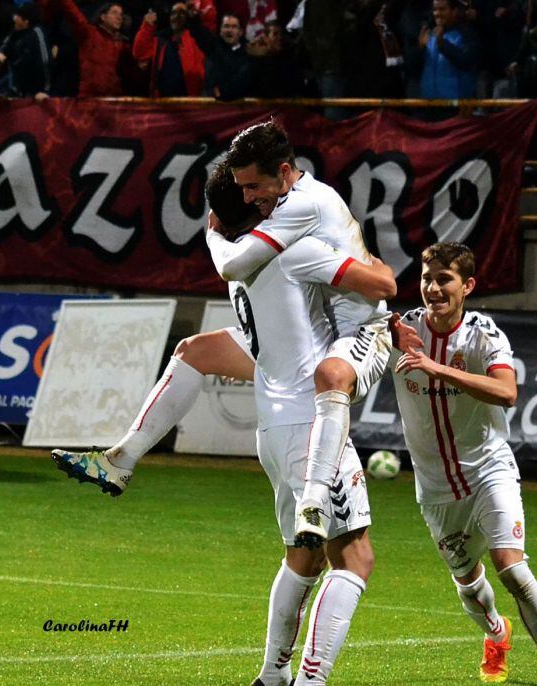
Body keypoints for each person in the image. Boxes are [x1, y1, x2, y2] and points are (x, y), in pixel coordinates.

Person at [53, 163, 394, 686]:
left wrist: (213, 234)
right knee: (354, 559)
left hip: (271, 431)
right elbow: (383, 282)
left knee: (302, 559)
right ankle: (310, 680)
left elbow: (232, 275)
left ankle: (270, 676)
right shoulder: (296, 250)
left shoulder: (234, 260)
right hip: (312, 425)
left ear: (216, 218)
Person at [389, 242, 537, 686]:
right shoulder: (400, 328)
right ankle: (496, 632)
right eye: (426, 279)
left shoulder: (483, 333)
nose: (433, 288)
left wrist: (437, 369)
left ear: (468, 285)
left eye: (444, 279)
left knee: (511, 566)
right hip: (436, 488)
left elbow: (507, 392)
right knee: (469, 584)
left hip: (488, 469)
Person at [205, 121, 394, 550]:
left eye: (254, 186)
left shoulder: (297, 208)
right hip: (333, 336)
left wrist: (213, 233)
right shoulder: (302, 198)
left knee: (329, 375)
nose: (249, 198)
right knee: (195, 351)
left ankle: (314, 496)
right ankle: (123, 457)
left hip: (364, 332)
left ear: (286, 172)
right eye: (242, 190)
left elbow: (232, 266)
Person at [42, 0, 137, 95]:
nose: (119, 17)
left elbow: (133, 76)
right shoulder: (89, 34)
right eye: (114, 13)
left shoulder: (123, 45)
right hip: (88, 102)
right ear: (103, 17)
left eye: (121, 14)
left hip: (114, 103)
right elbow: (74, 15)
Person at [132, 2, 215, 96]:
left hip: (191, 101)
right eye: (173, 13)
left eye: (182, 13)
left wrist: (195, 20)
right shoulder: (161, 41)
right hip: (163, 104)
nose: (177, 16)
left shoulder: (196, 39)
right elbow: (139, 52)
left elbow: (209, 40)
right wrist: (147, 26)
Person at [418, 0, 481, 102]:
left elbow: (467, 61)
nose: (437, 13)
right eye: (435, 9)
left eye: (442, 9)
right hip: (428, 104)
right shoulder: (428, 33)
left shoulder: (467, 33)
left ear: (454, 11)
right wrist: (419, 48)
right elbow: (413, 68)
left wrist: (442, 43)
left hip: (456, 105)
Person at [0, 2, 52, 98]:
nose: (14, 18)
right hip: (15, 78)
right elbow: (7, 43)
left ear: (26, 21)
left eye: (18, 16)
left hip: (32, 85)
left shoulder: (37, 34)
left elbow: (45, 63)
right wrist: (0, 53)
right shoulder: (17, 30)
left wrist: (45, 91)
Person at [204, 11, 256, 98]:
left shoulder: (250, 53)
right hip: (215, 108)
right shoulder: (213, 49)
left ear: (241, 32)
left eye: (234, 27)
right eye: (226, 26)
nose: (229, 30)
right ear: (220, 31)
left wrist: (223, 91)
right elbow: (200, 33)